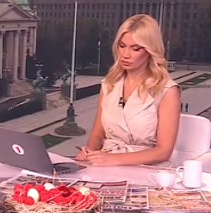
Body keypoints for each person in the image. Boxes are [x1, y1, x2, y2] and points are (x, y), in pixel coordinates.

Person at [75, 14, 181, 167]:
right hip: (105, 166)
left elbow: (163, 151)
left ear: (150, 51)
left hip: (148, 170)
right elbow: (97, 135)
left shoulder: (167, 91)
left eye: (135, 49)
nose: (125, 55)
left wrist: (114, 159)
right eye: (122, 46)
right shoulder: (109, 85)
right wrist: (89, 152)